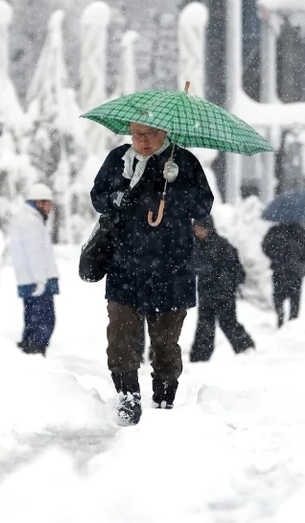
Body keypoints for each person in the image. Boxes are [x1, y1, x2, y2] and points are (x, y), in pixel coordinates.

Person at [90, 122, 213, 426]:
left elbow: (204, 205)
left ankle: (163, 402)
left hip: (172, 270)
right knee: (120, 337)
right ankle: (128, 400)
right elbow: (98, 196)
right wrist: (119, 196)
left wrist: (175, 191)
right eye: (136, 135)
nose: (142, 141)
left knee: (166, 343)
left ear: (164, 134)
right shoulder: (120, 159)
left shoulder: (183, 161)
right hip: (125, 267)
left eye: (149, 135)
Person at [189, 216, 255, 362]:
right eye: (196, 228)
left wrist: (224, 281)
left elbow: (237, 270)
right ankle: (199, 358)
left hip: (224, 293)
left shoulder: (222, 245)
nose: (198, 231)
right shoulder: (195, 247)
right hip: (206, 293)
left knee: (228, 323)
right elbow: (192, 266)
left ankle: (246, 349)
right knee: (205, 326)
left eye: (201, 228)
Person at [8, 183, 60, 356]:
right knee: (45, 320)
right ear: (39, 202)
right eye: (48, 203)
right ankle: (35, 351)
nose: (50, 207)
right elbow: (35, 253)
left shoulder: (25, 218)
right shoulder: (31, 222)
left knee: (32, 318)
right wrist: (41, 280)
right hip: (38, 279)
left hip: (29, 278)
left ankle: (29, 347)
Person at [261, 222, 305, 327]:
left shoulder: (275, 231)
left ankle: (280, 312)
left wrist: (274, 257)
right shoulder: (299, 231)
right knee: (295, 297)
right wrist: (302, 259)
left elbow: (265, 246)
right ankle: (293, 320)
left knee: (278, 295)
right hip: (296, 270)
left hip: (279, 269)